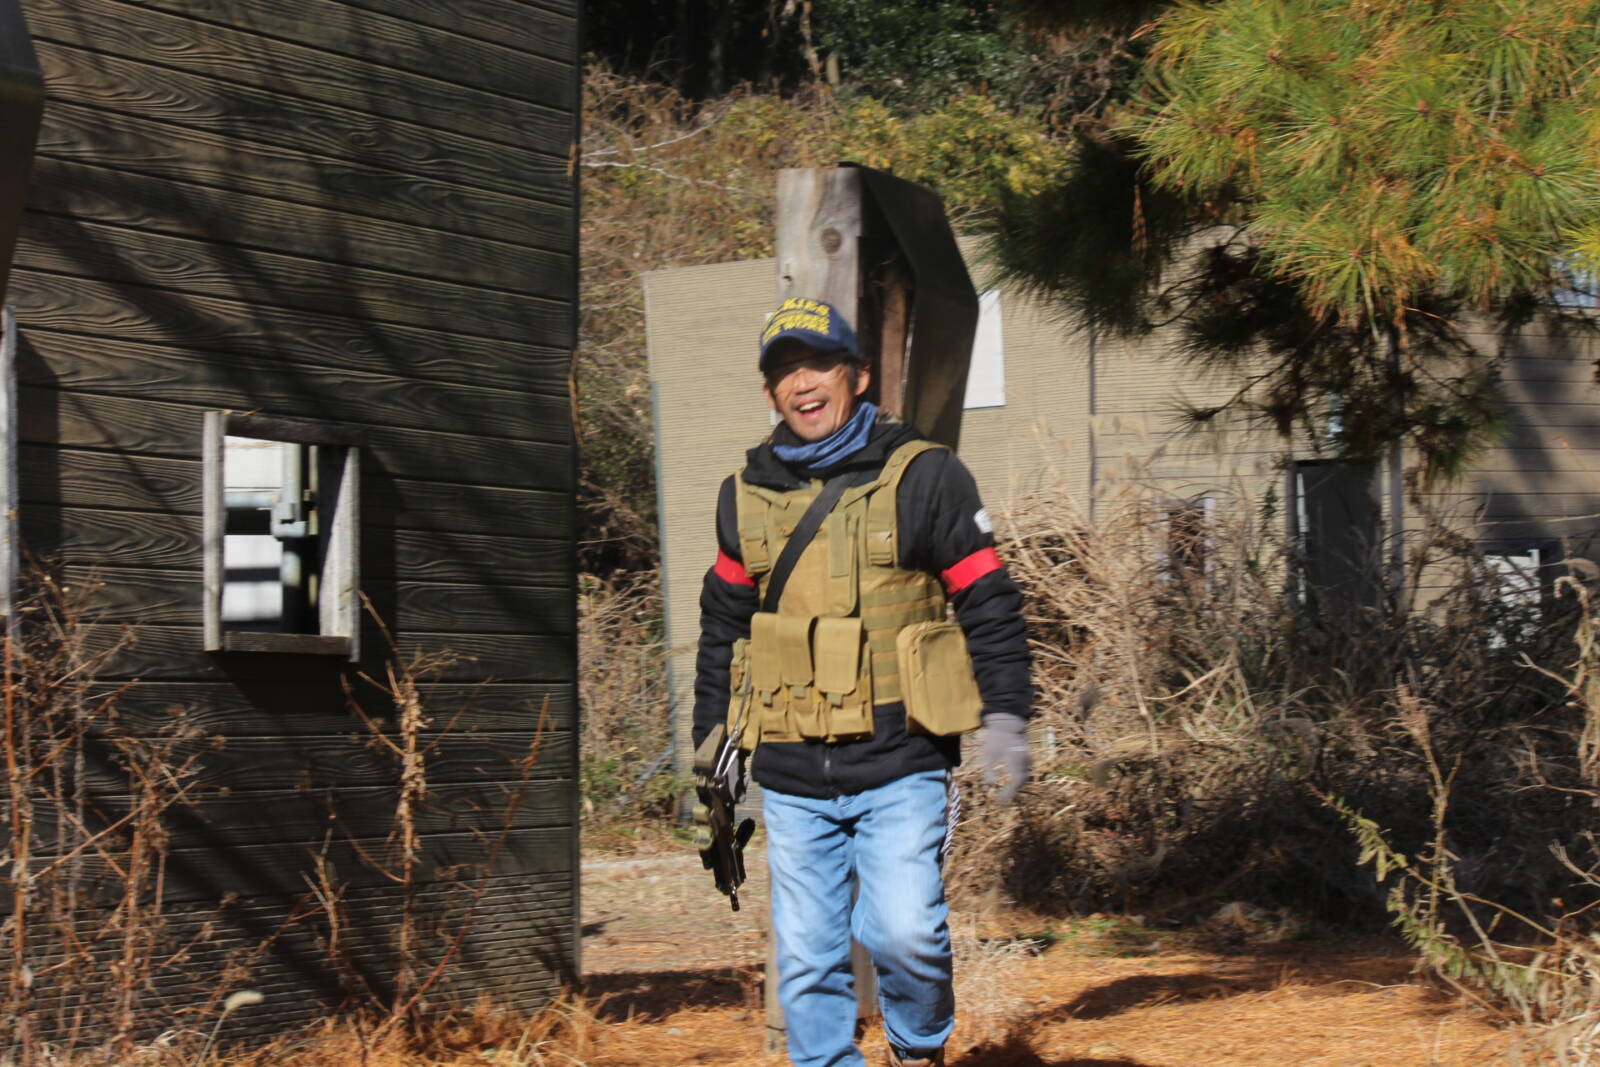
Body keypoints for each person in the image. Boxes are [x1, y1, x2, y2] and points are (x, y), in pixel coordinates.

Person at [693, 296, 1033, 1067]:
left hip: (901, 760)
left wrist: (1007, 717)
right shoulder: (741, 496)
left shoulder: (928, 476)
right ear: (769, 392)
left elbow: (988, 600)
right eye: (784, 371)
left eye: (818, 364)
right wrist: (710, 745)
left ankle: (916, 1049)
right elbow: (723, 625)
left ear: (859, 374)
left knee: (904, 932)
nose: (802, 383)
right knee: (809, 956)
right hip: (790, 771)